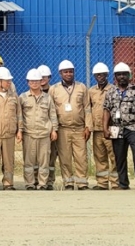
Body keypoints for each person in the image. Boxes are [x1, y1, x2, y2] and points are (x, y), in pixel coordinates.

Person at [104, 62, 135, 195]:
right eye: (119, 75)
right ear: (115, 77)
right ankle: (123, 183)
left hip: (133, 128)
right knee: (119, 157)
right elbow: (106, 110)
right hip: (117, 129)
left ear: (129, 75)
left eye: (124, 74)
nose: (122, 77)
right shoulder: (110, 92)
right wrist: (105, 128)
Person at [49, 60, 92, 190]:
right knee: (65, 157)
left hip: (79, 128)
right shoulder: (54, 89)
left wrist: (88, 127)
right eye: (65, 72)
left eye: (70, 71)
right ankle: (68, 182)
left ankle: (82, 182)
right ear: (60, 73)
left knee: (81, 157)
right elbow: (50, 110)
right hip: (62, 129)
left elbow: (87, 108)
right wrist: (53, 129)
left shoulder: (81, 87)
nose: (68, 74)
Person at [19, 69, 58, 190]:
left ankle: (42, 184)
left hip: (44, 134)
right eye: (32, 81)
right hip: (29, 134)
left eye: (36, 81)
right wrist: (19, 131)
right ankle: (30, 183)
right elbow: (19, 116)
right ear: (28, 82)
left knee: (44, 161)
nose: (34, 83)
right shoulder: (23, 97)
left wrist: (54, 130)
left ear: (41, 82)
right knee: (29, 162)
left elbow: (52, 114)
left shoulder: (47, 98)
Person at [89, 62, 119, 190]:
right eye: (97, 75)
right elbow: (88, 109)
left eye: (102, 74)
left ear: (107, 75)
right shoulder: (91, 91)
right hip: (97, 130)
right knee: (99, 156)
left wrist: (115, 127)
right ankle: (102, 183)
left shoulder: (114, 90)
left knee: (114, 156)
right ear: (94, 76)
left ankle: (116, 182)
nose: (100, 76)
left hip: (112, 129)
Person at [37, 64, 57, 189]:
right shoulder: (32, 91)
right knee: (36, 158)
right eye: (41, 77)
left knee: (51, 157)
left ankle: (49, 181)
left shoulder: (54, 92)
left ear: (49, 77)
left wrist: (54, 129)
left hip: (52, 130)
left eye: (46, 76)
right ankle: (36, 181)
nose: (43, 79)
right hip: (38, 130)